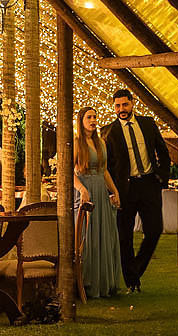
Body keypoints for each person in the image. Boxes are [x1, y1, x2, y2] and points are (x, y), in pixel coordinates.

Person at [104, 88, 171, 292]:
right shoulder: (108, 132)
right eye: (117, 106)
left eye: (125, 104)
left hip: (149, 184)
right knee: (124, 236)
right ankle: (132, 281)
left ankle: (135, 270)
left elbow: (163, 152)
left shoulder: (148, 124)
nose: (121, 109)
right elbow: (107, 166)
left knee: (155, 230)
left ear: (132, 103)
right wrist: (112, 191)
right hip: (125, 188)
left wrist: (161, 177)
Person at [73, 106, 122, 298]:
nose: (93, 120)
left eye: (95, 117)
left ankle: (104, 283)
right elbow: (67, 171)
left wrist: (114, 191)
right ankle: (86, 283)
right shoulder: (76, 143)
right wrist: (81, 189)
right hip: (85, 191)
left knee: (104, 235)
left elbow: (105, 170)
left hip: (101, 191)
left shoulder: (101, 142)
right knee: (87, 236)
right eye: (89, 117)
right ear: (81, 121)